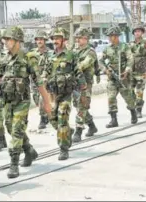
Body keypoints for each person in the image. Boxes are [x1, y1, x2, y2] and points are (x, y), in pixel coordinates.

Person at [0, 26, 52, 178]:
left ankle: (14, 163)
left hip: (22, 101)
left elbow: (38, 82)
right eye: (4, 39)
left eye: (9, 39)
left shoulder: (28, 57)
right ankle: (29, 150)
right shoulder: (3, 57)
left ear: (18, 40)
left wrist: (47, 102)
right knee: (10, 127)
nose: (5, 42)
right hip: (6, 99)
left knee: (17, 129)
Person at [42, 27, 85, 159]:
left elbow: (78, 71)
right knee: (53, 119)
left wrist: (83, 87)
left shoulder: (71, 55)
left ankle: (63, 148)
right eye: (54, 38)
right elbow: (46, 71)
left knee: (62, 119)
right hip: (52, 94)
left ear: (63, 40)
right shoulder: (49, 56)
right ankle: (67, 132)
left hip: (66, 93)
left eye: (58, 38)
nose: (55, 41)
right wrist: (43, 80)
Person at [99, 25, 138, 128]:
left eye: (112, 36)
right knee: (111, 97)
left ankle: (133, 112)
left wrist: (127, 70)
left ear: (117, 36)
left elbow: (130, 59)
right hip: (112, 77)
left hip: (123, 77)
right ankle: (113, 119)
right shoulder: (107, 49)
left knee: (128, 97)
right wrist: (105, 70)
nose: (110, 38)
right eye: (109, 36)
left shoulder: (124, 46)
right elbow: (101, 61)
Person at [71, 27, 100, 142]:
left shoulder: (91, 52)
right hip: (75, 82)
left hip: (85, 83)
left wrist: (71, 67)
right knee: (78, 105)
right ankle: (92, 126)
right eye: (77, 38)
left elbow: (84, 65)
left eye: (80, 38)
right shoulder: (74, 51)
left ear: (86, 38)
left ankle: (78, 130)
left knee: (82, 105)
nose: (77, 40)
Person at [30, 30, 52, 129]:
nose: (39, 41)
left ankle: (43, 119)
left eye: (41, 39)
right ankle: (47, 114)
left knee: (42, 99)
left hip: (45, 80)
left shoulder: (50, 53)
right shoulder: (32, 53)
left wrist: (44, 76)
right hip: (34, 81)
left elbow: (50, 66)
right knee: (36, 98)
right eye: (37, 40)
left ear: (45, 41)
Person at [129, 24, 146, 118]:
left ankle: (139, 110)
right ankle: (134, 106)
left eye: (139, 31)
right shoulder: (130, 44)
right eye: (135, 31)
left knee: (139, 91)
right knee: (129, 91)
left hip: (141, 71)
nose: (137, 33)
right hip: (131, 72)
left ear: (142, 32)